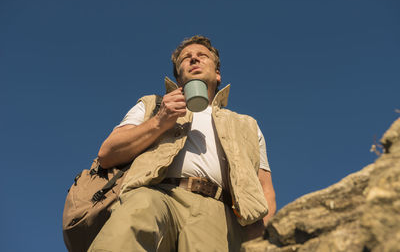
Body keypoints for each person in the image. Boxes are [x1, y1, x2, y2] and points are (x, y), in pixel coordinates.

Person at [88, 35, 276, 252]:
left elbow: (264, 189)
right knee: (133, 219)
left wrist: (261, 243)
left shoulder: (246, 124)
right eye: (186, 58)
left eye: (202, 56)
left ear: (217, 74)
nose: (194, 59)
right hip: (157, 194)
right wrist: (160, 120)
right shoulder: (152, 105)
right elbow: (108, 153)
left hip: (216, 211)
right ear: (178, 80)